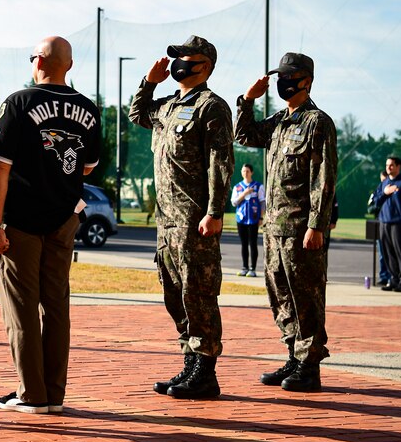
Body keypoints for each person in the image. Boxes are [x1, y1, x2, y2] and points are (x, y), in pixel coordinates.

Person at [0, 36, 100, 413]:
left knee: (20, 307)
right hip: (64, 218)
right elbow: (87, 167)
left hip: (20, 221)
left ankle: (31, 394)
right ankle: (54, 393)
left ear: (38, 62)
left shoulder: (18, 102)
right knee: (56, 306)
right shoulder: (88, 108)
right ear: (69, 65)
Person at [128, 35, 234, 400]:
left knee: (198, 293)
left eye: (185, 58)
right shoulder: (169, 105)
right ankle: (190, 363)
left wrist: (215, 212)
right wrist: (149, 82)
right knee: (174, 292)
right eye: (176, 58)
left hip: (194, 218)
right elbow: (137, 114)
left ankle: (206, 371)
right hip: (166, 221)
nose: (177, 64)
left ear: (204, 65)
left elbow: (221, 163)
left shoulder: (212, 107)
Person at [236, 52, 337, 392]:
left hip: (300, 227)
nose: (282, 82)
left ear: (305, 80)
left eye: (288, 76)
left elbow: (323, 178)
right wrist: (248, 101)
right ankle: (294, 355)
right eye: (279, 76)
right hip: (274, 227)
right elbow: (245, 135)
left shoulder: (317, 122)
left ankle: (310, 365)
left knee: (305, 295)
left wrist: (317, 225)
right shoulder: (279, 121)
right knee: (280, 294)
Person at [373, 156, 401, 293]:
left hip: (399, 223)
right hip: (384, 222)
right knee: (387, 253)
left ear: (398, 166)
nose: (388, 168)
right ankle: (393, 280)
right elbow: (375, 201)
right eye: (387, 165)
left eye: (391, 165)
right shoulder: (384, 183)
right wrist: (385, 193)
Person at [231, 164, 265, 277]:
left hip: (254, 219)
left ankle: (252, 268)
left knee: (253, 243)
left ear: (252, 172)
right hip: (241, 219)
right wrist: (244, 194)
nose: (245, 173)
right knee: (244, 244)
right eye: (244, 171)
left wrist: (261, 217)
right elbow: (234, 202)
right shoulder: (237, 187)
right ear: (241, 172)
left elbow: (262, 203)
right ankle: (244, 267)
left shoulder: (258, 186)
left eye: (248, 171)